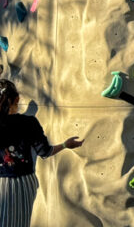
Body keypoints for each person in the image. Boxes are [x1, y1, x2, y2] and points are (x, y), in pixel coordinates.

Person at [0, 79, 83, 227]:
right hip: (23, 184)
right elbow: (45, 152)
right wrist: (66, 144)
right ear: (17, 99)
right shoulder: (29, 123)